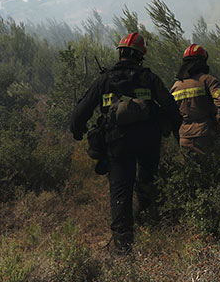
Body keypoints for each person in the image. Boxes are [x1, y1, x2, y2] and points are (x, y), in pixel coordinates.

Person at [70, 32, 181, 256]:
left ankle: (123, 248)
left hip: (117, 143)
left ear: (120, 53)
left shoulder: (105, 80)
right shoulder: (149, 78)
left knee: (120, 191)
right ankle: (149, 223)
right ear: (140, 56)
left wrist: (78, 131)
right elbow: (171, 108)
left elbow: (79, 113)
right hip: (148, 140)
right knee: (147, 181)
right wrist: (177, 133)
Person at [170, 44, 220, 156]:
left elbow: (171, 113)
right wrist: (216, 122)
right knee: (215, 170)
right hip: (206, 137)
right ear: (202, 62)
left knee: (189, 171)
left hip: (184, 138)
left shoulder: (176, 86)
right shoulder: (209, 81)